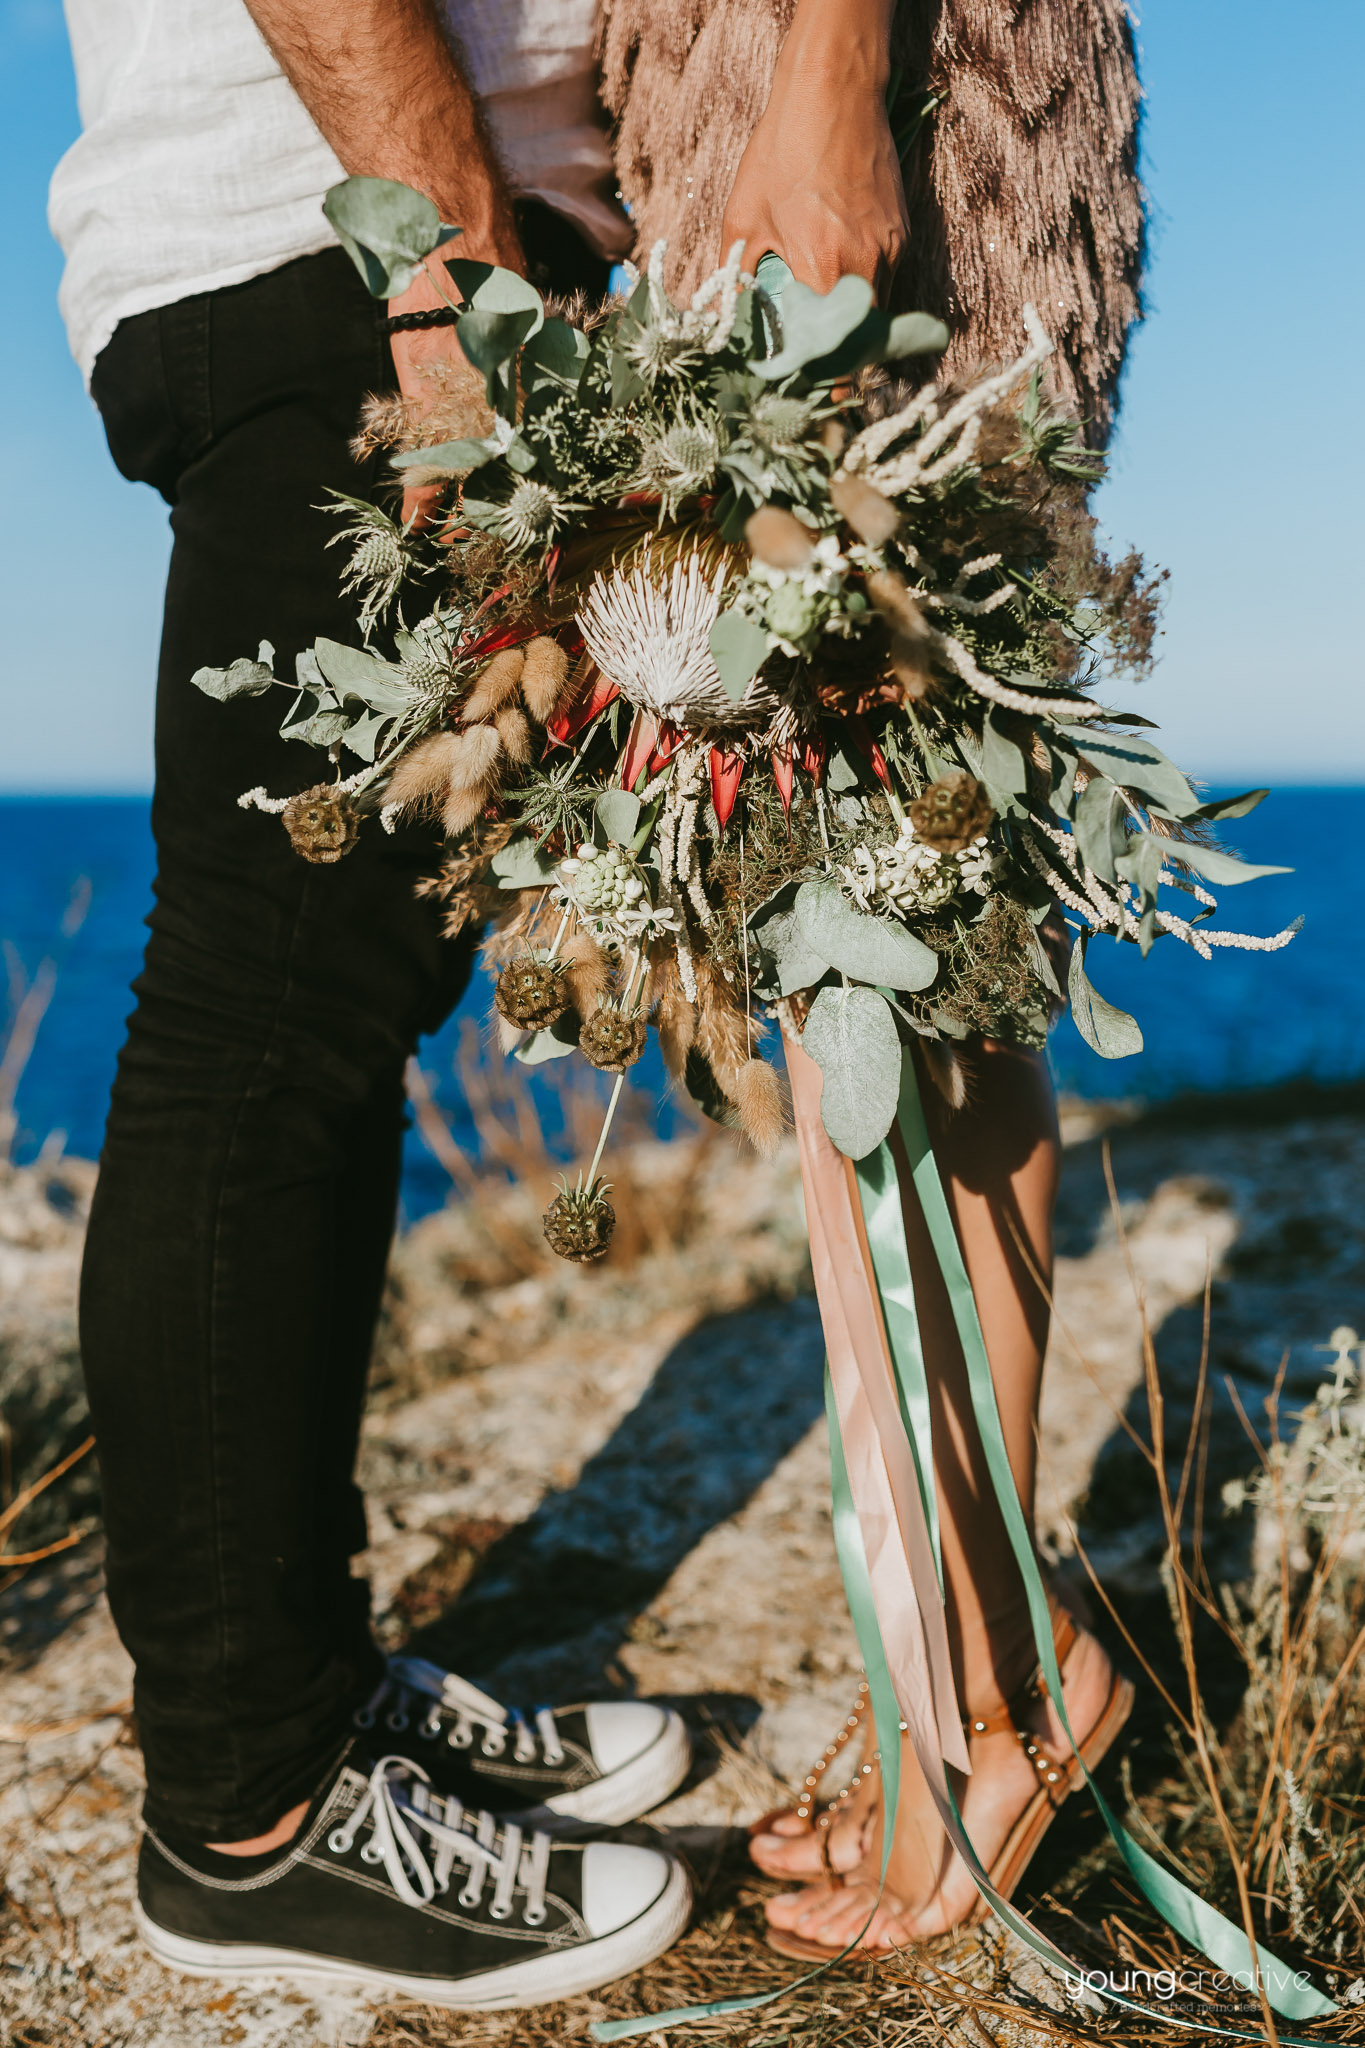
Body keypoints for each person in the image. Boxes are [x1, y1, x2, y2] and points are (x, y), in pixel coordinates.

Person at [50, 0, 932, 2009]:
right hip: (338, 235)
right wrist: (438, 247)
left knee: (339, 1008)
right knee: (268, 1014)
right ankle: (247, 1814)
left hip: (416, 235)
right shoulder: (394, 253)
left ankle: (307, 1691)